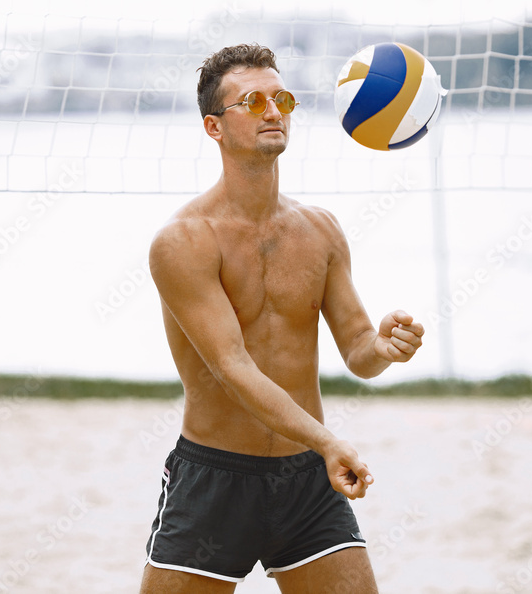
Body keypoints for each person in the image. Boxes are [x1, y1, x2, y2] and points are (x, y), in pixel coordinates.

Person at [140, 44, 424, 593]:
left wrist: (384, 347)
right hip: (215, 481)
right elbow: (232, 366)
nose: (274, 111)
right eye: (252, 101)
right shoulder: (183, 241)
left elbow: (358, 351)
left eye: (283, 98)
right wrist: (327, 441)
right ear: (214, 127)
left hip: (306, 482)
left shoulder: (320, 229)